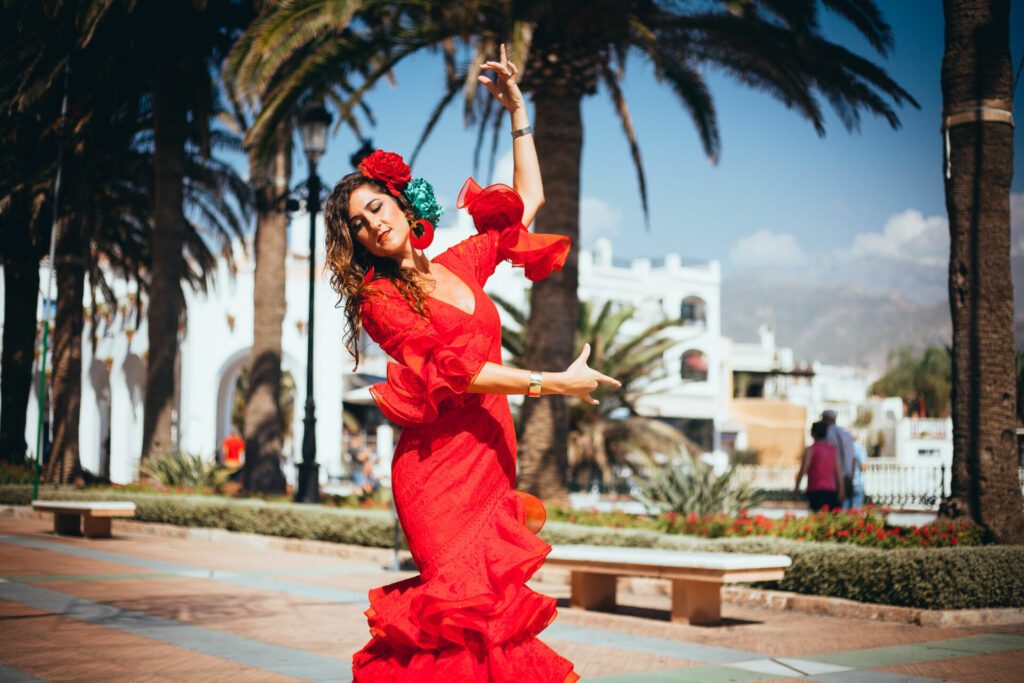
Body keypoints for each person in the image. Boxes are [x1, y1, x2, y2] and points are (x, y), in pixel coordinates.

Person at [324, 45, 616, 682]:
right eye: (357, 225)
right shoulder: (379, 300)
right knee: (457, 628)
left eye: (377, 207)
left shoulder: (461, 265)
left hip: (491, 456)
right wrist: (551, 382)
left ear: (403, 205)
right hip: (435, 475)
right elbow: (455, 373)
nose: (372, 225)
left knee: (494, 628)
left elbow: (529, 201)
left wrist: (518, 111)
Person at [794, 421, 845, 512]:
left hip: (815, 489)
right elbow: (838, 472)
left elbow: (803, 469)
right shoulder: (833, 450)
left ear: (813, 433)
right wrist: (841, 489)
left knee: (818, 519)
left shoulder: (811, 449)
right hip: (831, 490)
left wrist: (797, 486)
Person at [822, 409, 856, 510]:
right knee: (843, 510)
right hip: (847, 476)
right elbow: (853, 459)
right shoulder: (846, 434)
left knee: (831, 511)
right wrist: (851, 476)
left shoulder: (827, 434)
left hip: (833, 478)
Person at [346, 430, 379, 494]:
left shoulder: (359, 448)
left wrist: (367, 454)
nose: (360, 440)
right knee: (359, 490)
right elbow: (361, 457)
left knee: (363, 489)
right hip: (357, 472)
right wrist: (368, 454)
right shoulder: (353, 449)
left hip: (363, 472)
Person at [849, 433, 868, 509]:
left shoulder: (844, 447)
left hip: (845, 481)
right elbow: (864, 466)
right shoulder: (859, 448)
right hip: (857, 482)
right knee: (856, 511)